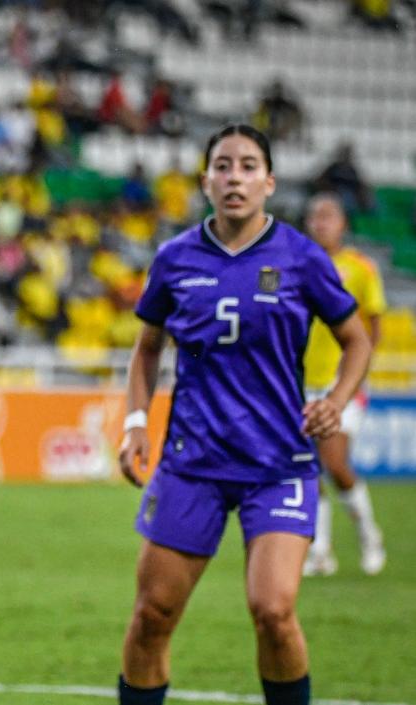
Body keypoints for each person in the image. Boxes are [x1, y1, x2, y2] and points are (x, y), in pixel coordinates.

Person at [116, 124, 373, 705]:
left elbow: (357, 339)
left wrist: (334, 400)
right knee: (153, 615)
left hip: (278, 462)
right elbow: (147, 348)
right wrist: (136, 423)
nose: (235, 177)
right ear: (205, 180)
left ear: (270, 182)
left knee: (274, 612)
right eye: (224, 166)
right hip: (193, 462)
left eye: (249, 166)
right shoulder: (175, 258)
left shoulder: (302, 258)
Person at [300, 192, 387, 576]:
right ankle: (320, 552)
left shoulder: (360, 268)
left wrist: (355, 377)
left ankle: (369, 534)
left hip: (342, 385)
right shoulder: (293, 263)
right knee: (307, 467)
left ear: (343, 224)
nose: (320, 222)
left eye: (328, 215)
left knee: (334, 463)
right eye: (315, 216)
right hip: (300, 383)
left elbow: (374, 326)